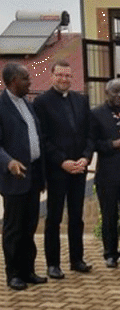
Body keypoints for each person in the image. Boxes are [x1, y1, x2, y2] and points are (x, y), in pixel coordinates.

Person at [34, 60, 94, 279]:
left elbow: (90, 133)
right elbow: (43, 139)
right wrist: (62, 161)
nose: (64, 79)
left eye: (68, 75)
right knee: (54, 218)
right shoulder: (41, 102)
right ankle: (53, 264)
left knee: (77, 217)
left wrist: (86, 158)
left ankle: (77, 260)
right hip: (57, 170)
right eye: (60, 75)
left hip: (79, 169)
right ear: (52, 76)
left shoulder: (81, 100)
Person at [0, 63, 47, 290]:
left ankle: (28, 271)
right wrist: (8, 162)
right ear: (11, 82)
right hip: (14, 178)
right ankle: (13, 274)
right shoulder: (1, 106)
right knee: (14, 229)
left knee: (29, 227)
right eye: (25, 78)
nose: (30, 82)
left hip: (33, 175)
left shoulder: (27, 105)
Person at [90, 79, 120, 268]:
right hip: (108, 176)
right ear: (106, 93)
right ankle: (110, 254)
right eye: (115, 92)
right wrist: (112, 144)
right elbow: (91, 143)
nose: (119, 96)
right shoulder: (96, 114)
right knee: (110, 218)